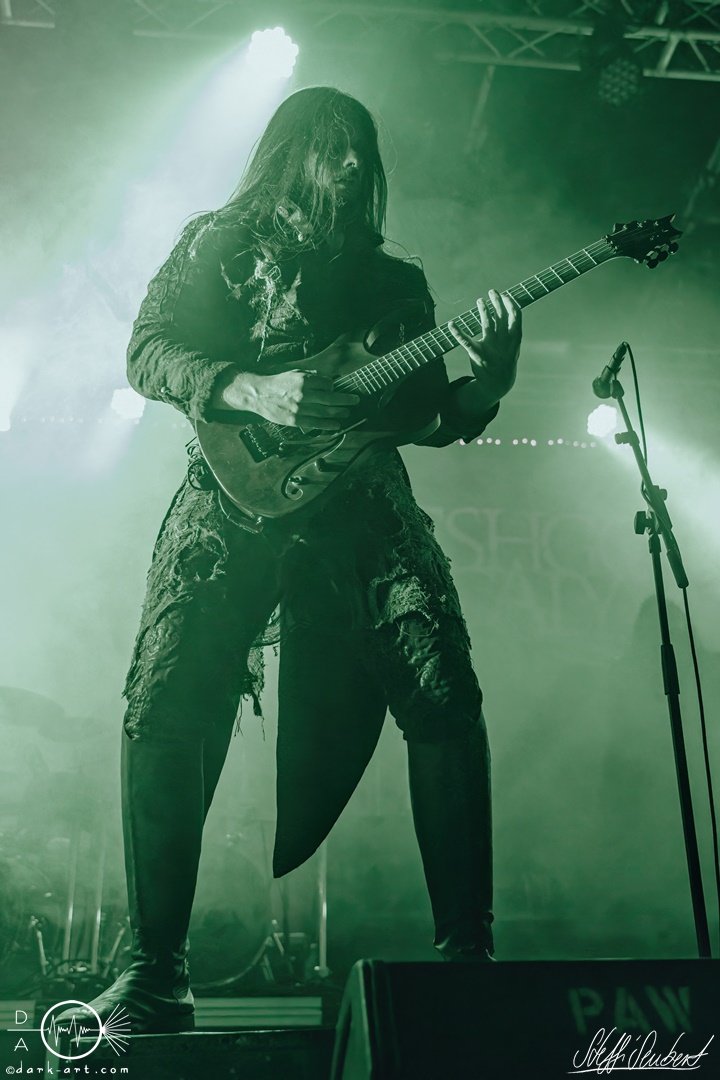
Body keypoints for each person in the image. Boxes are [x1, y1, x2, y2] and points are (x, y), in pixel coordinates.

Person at [61, 86, 521, 1035]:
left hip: (361, 505)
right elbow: (149, 352)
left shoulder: (395, 284)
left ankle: (469, 958)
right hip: (230, 500)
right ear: (288, 151)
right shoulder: (218, 246)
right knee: (166, 701)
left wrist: (492, 383)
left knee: (443, 691)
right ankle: (155, 971)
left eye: (362, 149)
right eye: (332, 144)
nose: (351, 163)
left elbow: (428, 420)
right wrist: (249, 387)